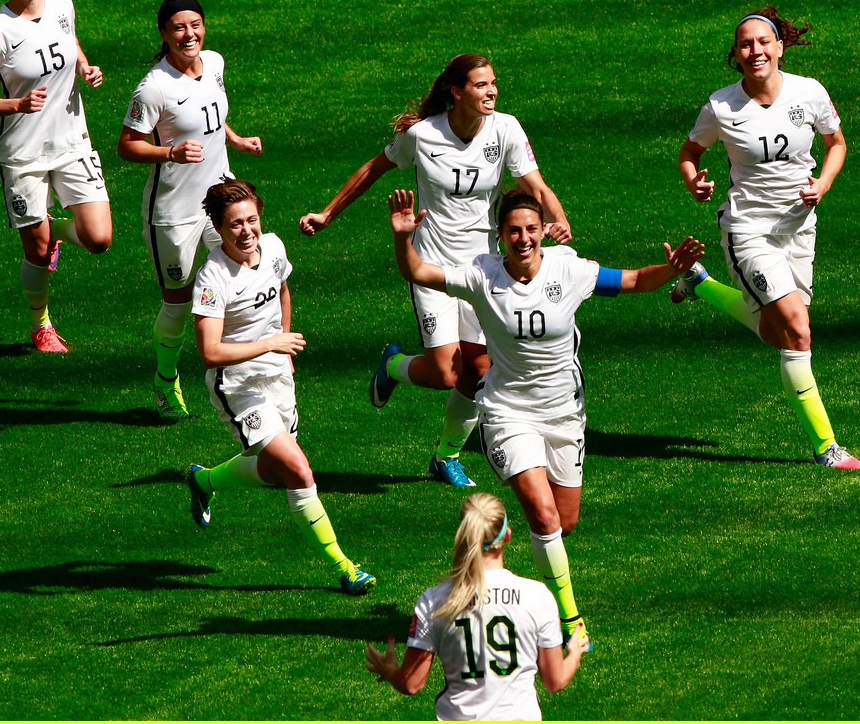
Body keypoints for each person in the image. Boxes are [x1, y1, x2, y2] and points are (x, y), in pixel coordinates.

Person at [388, 187, 704, 646]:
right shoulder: (481, 275)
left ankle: (501, 583)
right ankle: (569, 623)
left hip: (564, 415)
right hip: (508, 413)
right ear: (499, 235)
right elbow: (416, 270)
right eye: (514, 230)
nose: (523, 239)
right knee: (542, 516)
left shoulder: (567, 268)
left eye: (531, 230)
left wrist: (671, 270)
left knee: (563, 521)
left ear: (541, 233)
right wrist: (402, 238)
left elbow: (634, 280)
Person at [299, 54, 571, 489]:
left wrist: (558, 220)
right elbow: (374, 168)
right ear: (456, 92)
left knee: (479, 370)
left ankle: (446, 456)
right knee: (447, 372)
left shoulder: (506, 129)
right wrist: (328, 213)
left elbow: (534, 185)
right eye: (481, 85)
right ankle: (395, 366)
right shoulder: (423, 136)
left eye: (493, 83)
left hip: (482, 270)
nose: (491, 92)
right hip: (431, 269)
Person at [673, 6, 860, 470]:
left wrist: (824, 184)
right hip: (748, 231)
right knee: (797, 327)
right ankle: (826, 446)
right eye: (745, 44)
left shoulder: (809, 92)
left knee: (779, 331)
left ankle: (700, 283)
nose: (755, 50)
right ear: (736, 56)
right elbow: (689, 152)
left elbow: (835, 144)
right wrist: (693, 181)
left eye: (763, 42)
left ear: (780, 47)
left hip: (799, 228)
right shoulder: (721, 106)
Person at [184, 179, 376, 596]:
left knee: (274, 471)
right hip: (237, 385)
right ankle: (344, 567)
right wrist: (272, 343)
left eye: (252, 219)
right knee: (298, 471)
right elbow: (210, 352)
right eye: (235, 224)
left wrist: (283, 348)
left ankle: (204, 482)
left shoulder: (273, 247)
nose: (246, 231)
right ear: (218, 228)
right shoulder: (212, 279)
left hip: (277, 373)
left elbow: (283, 291)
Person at [0, 0, 113, 353]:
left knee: (100, 239)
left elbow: (69, 43)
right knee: (37, 248)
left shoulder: (63, 5)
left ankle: (56, 234)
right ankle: (41, 326)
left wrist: (85, 67)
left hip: (73, 143)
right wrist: (17, 103)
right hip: (23, 155)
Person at [118, 0, 263, 419]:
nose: (189, 34)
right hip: (173, 213)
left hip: (220, 199)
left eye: (195, 24)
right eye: (179, 27)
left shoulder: (214, 63)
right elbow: (127, 146)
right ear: (164, 34)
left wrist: (234, 140)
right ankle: (166, 377)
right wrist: (170, 154)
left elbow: (211, 115)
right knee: (179, 303)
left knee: (245, 275)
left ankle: (244, 369)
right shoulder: (154, 87)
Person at [366, 492, 585, 721]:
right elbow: (555, 681)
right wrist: (574, 653)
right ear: (507, 535)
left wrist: (390, 670)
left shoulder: (434, 600)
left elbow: (411, 683)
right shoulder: (537, 596)